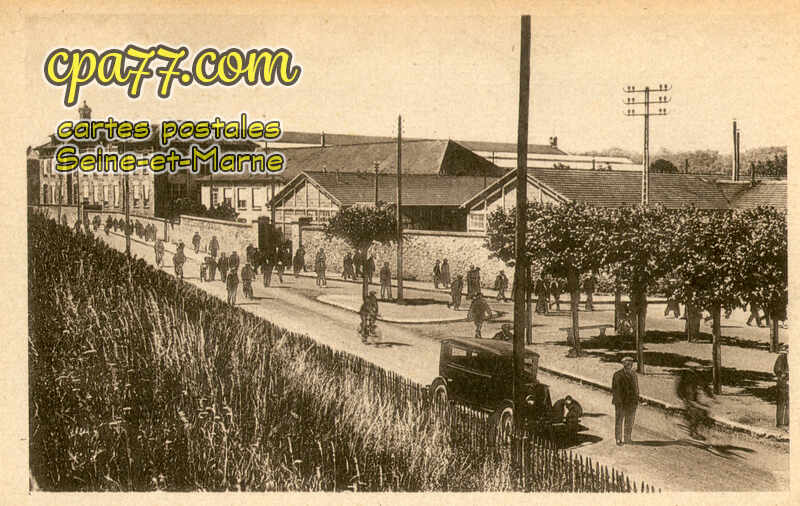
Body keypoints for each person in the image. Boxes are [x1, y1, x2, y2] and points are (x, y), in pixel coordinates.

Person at [676, 361, 714, 440]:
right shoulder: (684, 377)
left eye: (695, 368)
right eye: (694, 368)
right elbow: (679, 389)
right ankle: (693, 432)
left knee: (704, 411)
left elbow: (704, 386)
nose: (695, 370)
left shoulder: (696, 376)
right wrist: (684, 398)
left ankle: (694, 426)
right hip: (688, 398)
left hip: (694, 398)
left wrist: (711, 396)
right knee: (696, 413)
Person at [611, 356, 639, 445]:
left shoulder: (634, 375)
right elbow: (616, 390)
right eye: (627, 364)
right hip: (621, 402)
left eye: (630, 364)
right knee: (619, 420)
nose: (629, 366)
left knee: (629, 421)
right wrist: (618, 402)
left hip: (631, 403)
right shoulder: (617, 375)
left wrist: (636, 399)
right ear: (623, 365)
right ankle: (618, 439)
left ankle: (627, 438)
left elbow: (636, 388)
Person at [774, 350, 789, 428]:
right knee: (781, 403)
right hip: (783, 384)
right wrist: (782, 376)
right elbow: (776, 369)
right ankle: (780, 423)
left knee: (789, 404)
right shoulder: (782, 357)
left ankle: (787, 423)